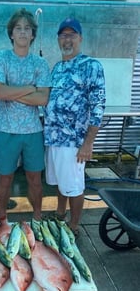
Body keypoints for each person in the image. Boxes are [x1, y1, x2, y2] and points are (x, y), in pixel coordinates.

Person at [44, 17, 106, 237]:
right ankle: (60, 214)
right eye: (63, 35)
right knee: (61, 181)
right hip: (53, 138)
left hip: (73, 141)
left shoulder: (91, 66)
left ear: (80, 38)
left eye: (72, 35)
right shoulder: (57, 68)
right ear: (58, 39)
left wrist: (88, 143)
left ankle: (74, 225)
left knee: (74, 185)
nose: (67, 39)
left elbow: (98, 106)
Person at [0, 8, 51, 223]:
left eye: (27, 29)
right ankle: (2, 219)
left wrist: (11, 91)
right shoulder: (0, 58)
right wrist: (29, 88)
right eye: (18, 28)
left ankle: (37, 217)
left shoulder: (41, 64)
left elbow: (43, 99)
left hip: (33, 131)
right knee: (4, 178)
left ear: (33, 34)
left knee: (35, 178)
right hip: (6, 130)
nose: (23, 33)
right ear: (11, 34)